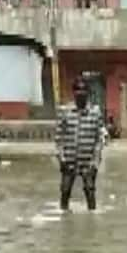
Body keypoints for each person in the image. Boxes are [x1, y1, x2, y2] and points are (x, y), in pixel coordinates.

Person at [55, 77, 104, 211]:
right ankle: (64, 217)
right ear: (74, 92)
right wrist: (61, 159)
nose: (80, 93)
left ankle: (92, 219)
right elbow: (59, 138)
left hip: (88, 162)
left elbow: (99, 140)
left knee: (90, 191)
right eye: (78, 90)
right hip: (68, 161)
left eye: (83, 90)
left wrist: (95, 162)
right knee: (65, 191)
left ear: (88, 93)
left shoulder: (95, 113)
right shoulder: (65, 112)